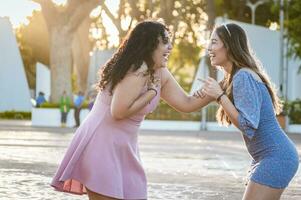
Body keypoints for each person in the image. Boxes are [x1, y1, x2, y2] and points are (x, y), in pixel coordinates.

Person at [51, 20, 215, 200]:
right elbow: (118, 112)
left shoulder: (159, 72)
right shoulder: (139, 69)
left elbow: (187, 103)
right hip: (102, 145)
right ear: (150, 44)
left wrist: (220, 92)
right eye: (165, 41)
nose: (170, 47)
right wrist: (151, 92)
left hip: (124, 149)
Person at [198, 23, 299, 200]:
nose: (209, 47)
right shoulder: (234, 78)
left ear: (228, 45)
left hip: (277, 157)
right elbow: (188, 103)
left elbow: (247, 125)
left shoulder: (243, 77)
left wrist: (220, 96)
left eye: (214, 42)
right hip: (271, 156)